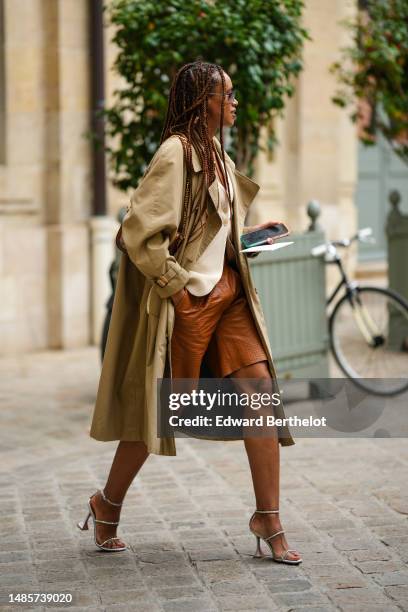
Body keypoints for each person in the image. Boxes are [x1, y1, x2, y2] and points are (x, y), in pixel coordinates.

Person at [79, 61, 301, 564]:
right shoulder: (176, 152)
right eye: (228, 94)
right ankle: (106, 504)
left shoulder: (217, 152)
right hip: (189, 303)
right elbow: (137, 231)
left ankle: (268, 516)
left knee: (260, 392)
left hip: (229, 295)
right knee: (162, 410)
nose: (235, 102)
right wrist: (178, 290)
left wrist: (249, 238)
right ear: (204, 102)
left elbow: (208, 232)